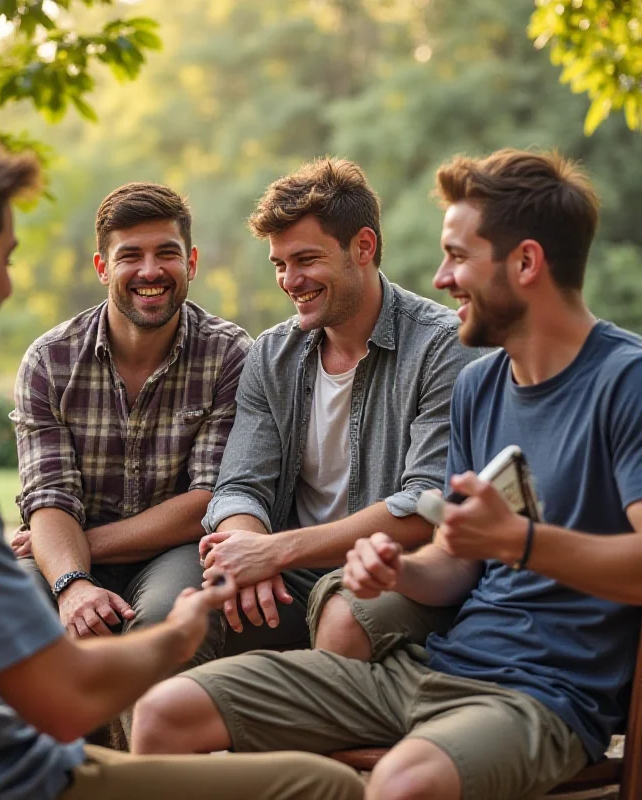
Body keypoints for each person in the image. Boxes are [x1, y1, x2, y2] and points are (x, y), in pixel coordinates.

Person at [0, 133, 364, 800]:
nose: (7, 283)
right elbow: (63, 693)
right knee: (325, 786)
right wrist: (175, 636)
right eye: (7, 260)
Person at [133, 148, 642, 800]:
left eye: (458, 256)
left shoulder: (623, 382)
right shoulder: (482, 383)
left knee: (402, 782)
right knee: (162, 714)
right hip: (433, 667)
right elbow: (456, 563)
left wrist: (515, 542)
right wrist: (400, 571)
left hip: (540, 696)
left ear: (525, 263)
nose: (440, 276)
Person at [198, 157, 477, 654]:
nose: (289, 280)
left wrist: (274, 551)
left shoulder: (441, 346)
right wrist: (247, 553)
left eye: (306, 260)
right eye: (280, 265)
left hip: (394, 573)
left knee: (343, 617)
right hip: (291, 572)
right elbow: (241, 485)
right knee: (191, 615)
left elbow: (424, 505)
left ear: (363, 247)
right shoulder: (271, 353)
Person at [9, 182, 251, 677]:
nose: (150, 271)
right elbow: (49, 499)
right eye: (130, 256)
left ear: (192, 262)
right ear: (102, 268)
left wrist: (69, 543)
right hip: (64, 551)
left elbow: (208, 501)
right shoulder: (49, 361)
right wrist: (72, 580)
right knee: (13, 615)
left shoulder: (229, 355)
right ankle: (49, 754)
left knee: (166, 622)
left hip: (176, 551)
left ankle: (150, 752)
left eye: (167, 253)